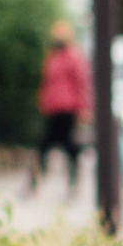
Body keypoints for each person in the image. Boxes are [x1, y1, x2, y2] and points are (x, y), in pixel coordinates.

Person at [32, 19, 89, 197]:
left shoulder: (73, 56)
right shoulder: (53, 57)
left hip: (68, 109)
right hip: (53, 110)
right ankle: (34, 184)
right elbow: (46, 83)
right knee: (44, 147)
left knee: (69, 149)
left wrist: (83, 108)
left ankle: (72, 186)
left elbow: (81, 83)